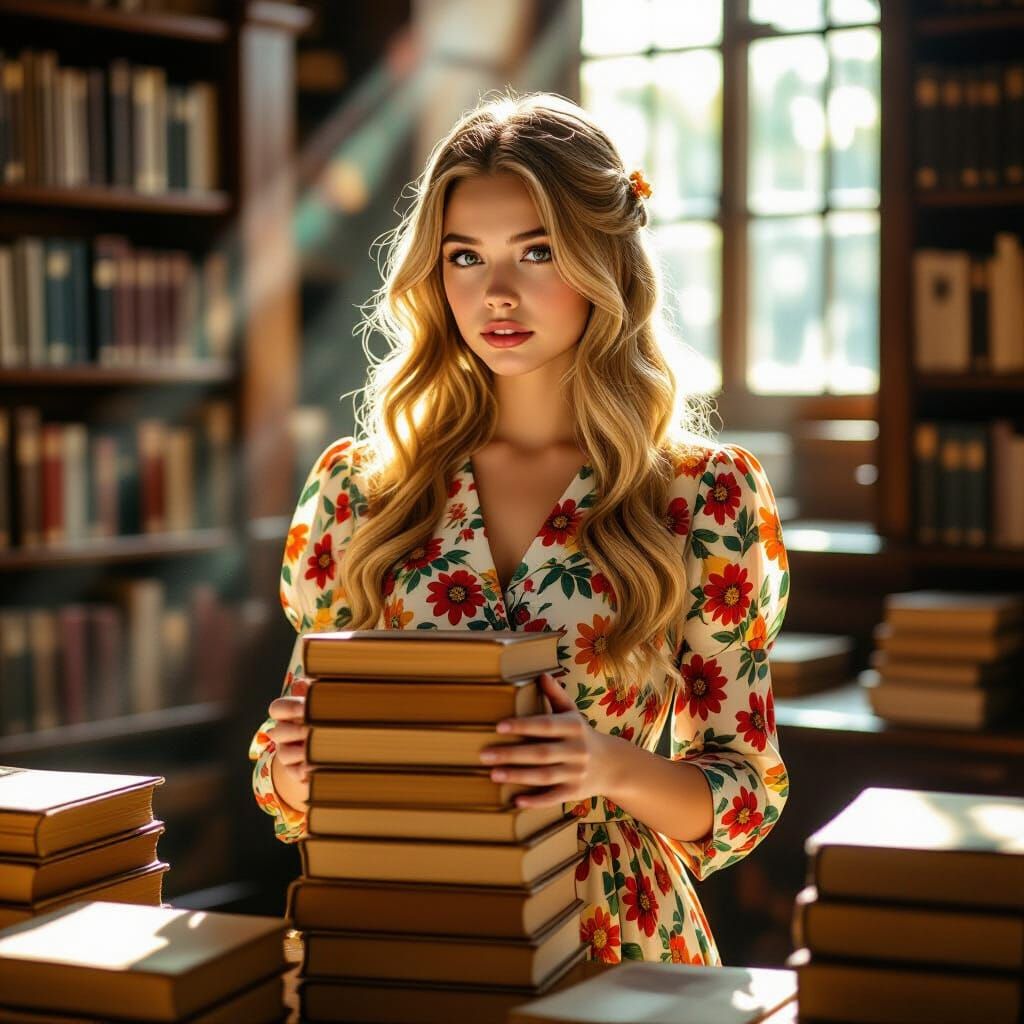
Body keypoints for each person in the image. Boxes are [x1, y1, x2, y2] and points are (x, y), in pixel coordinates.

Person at [249, 88, 791, 966]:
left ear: (602, 261)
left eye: (536, 252)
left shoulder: (700, 497)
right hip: (404, 934)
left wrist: (605, 767)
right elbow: (286, 783)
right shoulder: (359, 491)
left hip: (613, 938)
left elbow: (744, 794)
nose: (496, 293)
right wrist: (293, 767)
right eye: (464, 257)